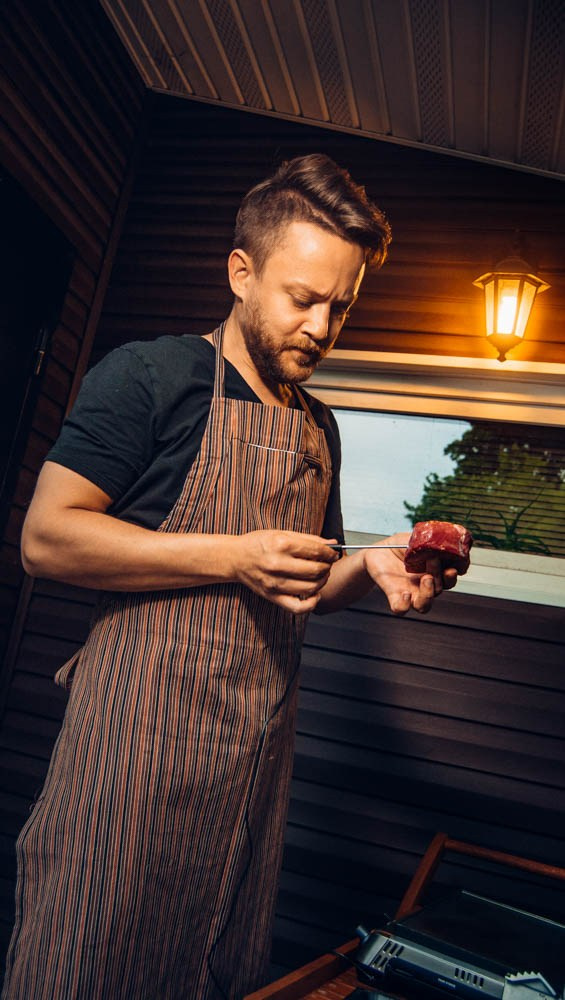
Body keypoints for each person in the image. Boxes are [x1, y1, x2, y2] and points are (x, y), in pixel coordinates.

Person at [2, 154, 458, 1000]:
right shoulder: (151, 376)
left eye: (341, 306)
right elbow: (46, 539)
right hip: (130, 757)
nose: (321, 328)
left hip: (248, 770)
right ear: (240, 272)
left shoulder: (318, 425)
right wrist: (231, 552)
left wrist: (368, 565)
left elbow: (302, 588)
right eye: (301, 298)